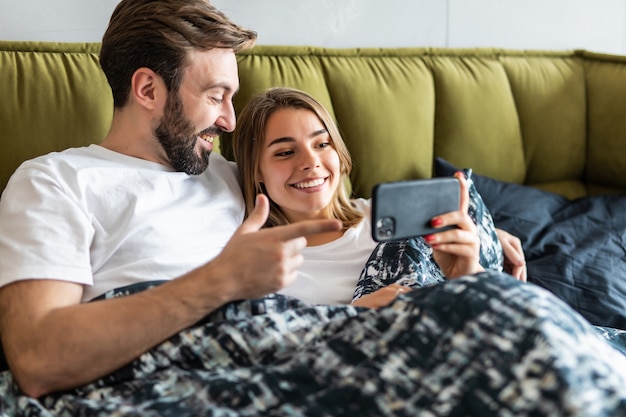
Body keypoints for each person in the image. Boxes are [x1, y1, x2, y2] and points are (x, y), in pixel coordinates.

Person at [0, 0, 342, 398]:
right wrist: (221, 280)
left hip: (275, 361)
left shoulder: (231, 173)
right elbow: (38, 359)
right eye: (216, 96)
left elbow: (333, 223)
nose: (230, 121)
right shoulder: (56, 182)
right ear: (148, 89)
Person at [232, 87, 525, 307]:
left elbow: (481, 308)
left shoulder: (401, 216)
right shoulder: (265, 266)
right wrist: (355, 312)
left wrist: (472, 264)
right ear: (255, 170)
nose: (311, 162)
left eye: (322, 143)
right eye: (285, 152)